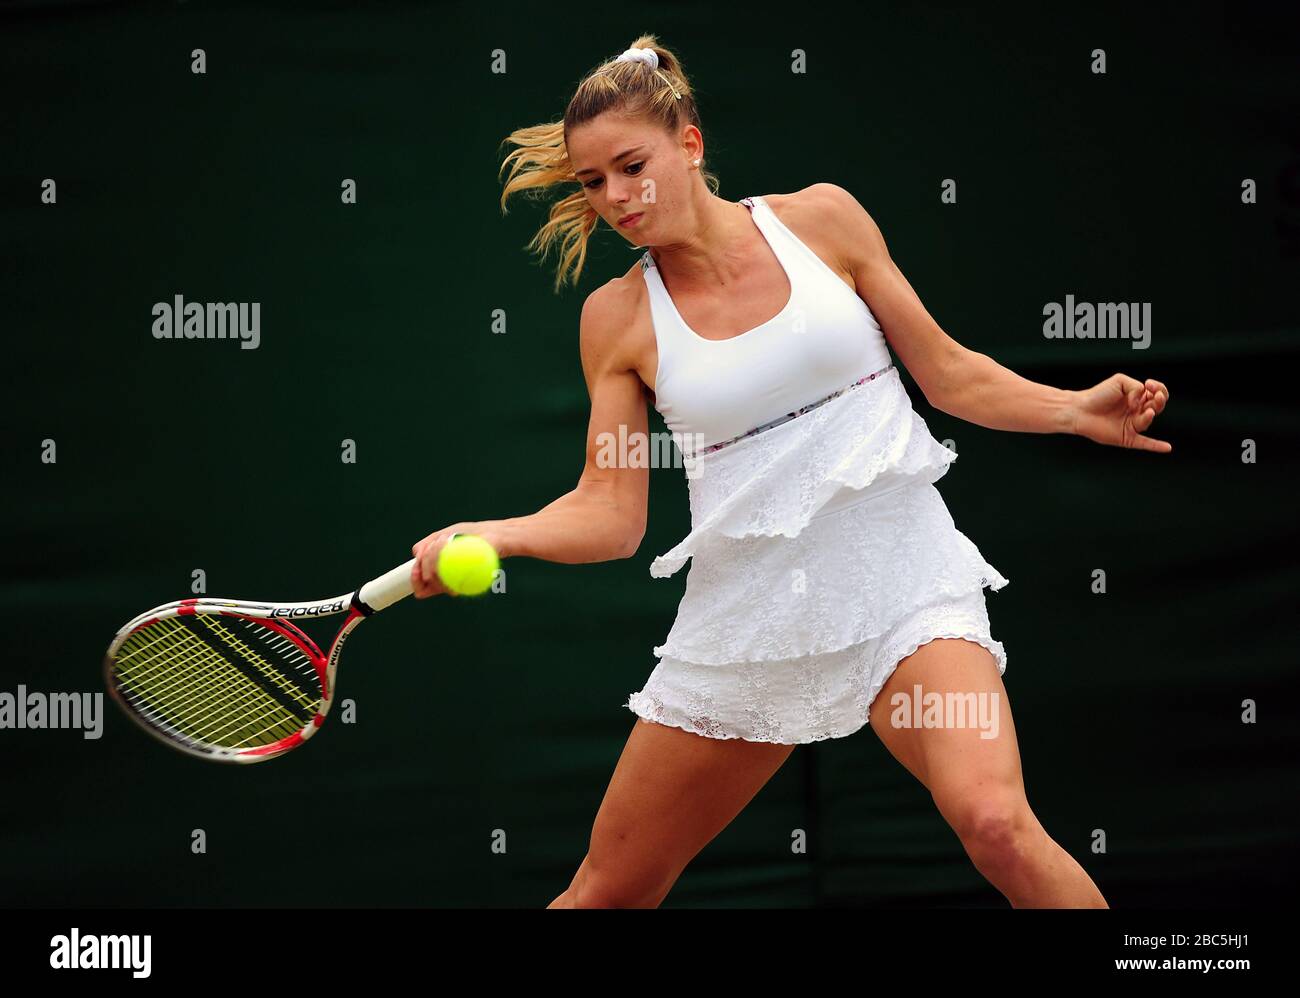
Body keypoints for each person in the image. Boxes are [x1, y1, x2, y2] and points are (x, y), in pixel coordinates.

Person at [408, 35, 1171, 909]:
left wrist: (1072, 407)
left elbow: (950, 376)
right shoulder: (615, 320)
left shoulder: (823, 222)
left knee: (997, 823)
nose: (615, 198)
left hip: (903, 583)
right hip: (749, 623)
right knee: (609, 891)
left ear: (689, 143)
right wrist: (497, 534)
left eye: (631, 166)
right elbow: (610, 514)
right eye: (592, 182)